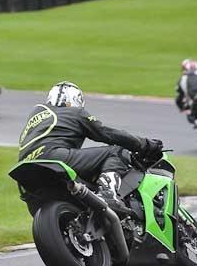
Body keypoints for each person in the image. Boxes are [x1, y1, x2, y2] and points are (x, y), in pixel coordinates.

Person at [18, 81, 162, 212]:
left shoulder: (36, 115)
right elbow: (107, 133)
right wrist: (144, 144)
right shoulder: (75, 112)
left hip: (25, 167)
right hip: (54, 157)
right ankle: (108, 194)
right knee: (116, 151)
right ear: (76, 100)